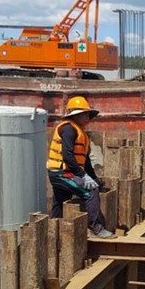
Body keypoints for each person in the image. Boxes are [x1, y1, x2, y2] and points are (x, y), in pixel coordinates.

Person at [47, 96, 115, 239]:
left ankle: (52, 230)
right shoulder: (69, 129)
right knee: (90, 191)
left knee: (60, 201)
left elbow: (86, 161)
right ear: (75, 115)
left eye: (88, 114)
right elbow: (67, 156)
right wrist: (83, 176)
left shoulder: (81, 133)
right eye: (84, 114)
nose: (87, 117)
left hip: (66, 172)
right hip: (61, 173)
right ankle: (97, 228)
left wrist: (93, 177)